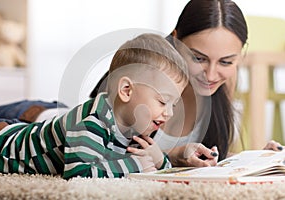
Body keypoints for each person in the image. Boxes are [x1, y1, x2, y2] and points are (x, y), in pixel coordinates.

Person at [89, 0, 284, 167]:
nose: (211, 74)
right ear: (175, 40)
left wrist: (256, 159)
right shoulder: (141, 78)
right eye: (199, 58)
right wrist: (172, 156)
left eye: (226, 61)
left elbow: (215, 155)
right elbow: (98, 156)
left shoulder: (224, 83)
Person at [0, 33, 192, 179]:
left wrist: (159, 159)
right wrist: (135, 165)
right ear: (127, 90)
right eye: (163, 101)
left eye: (173, 104)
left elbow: (151, 165)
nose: (170, 113)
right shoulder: (91, 123)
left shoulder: (134, 126)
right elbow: (79, 173)